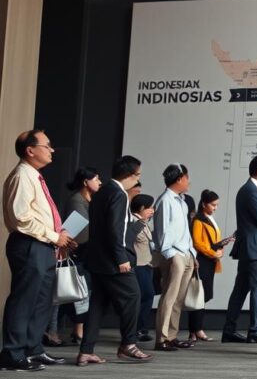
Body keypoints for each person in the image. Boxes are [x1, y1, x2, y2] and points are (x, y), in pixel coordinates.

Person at [0, 130, 75, 371]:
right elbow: (21, 218)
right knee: (24, 299)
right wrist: (55, 236)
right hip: (28, 243)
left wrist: (57, 239)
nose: (52, 150)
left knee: (41, 300)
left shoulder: (35, 176)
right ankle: (12, 353)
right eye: (47, 145)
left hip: (43, 244)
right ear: (30, 150)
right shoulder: (23, 175)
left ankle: (33, 349)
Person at [78, 155, 152, 366]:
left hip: (97, 259)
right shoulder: (118, 194)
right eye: (137, 175)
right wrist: (121, 257)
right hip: (113, 260)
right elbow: (115, 229)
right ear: (130, 175)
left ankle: (86, 351)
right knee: (134, 296)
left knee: (97, 305)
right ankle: (128, 344)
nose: (137, 179)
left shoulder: (102, 192)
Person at [223, 155, 257, 344]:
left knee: (241, 288)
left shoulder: (248, 189)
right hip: (256, 247)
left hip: (249, 246)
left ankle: (229, 330)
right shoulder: (251, 190)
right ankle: (255, 330)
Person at [53, 167, 102, 346]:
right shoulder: (77, 200)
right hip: (76, 251)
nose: (100, 182)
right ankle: (53, 331)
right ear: (85, 182)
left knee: (81, 291)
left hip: (85, 251)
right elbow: (75, 230)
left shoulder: (88, 200)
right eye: (96, 179)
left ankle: (76, 329)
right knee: (70, 291)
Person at [153, 163, 197, 351]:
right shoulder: (165, 200)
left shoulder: (181, 200)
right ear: (179, 179)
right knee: (169, 297)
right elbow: (162, 231)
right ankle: (161, 339)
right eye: (187, 177)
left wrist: (192, 253)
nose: (189, 181)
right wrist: (171, 256)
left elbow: (185, 230)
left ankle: (171, 336)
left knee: (178, 299)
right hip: (173, 254)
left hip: (186, 253)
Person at [188, 190, 232, 342]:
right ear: (204, 204)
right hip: (202, 260)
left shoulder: (209, 218)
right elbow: (197, 242)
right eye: (213, 205)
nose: (215, 208)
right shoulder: (198, 220)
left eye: (217, 205)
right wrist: (214, 253)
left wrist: (221, 247)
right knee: (199, 295)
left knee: (203, 295)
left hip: (210, 260)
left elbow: (211, 241)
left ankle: (195, 330)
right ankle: (195, 330)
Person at [129, 194, 156, 343]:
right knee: (145, 296)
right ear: (141, 208)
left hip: (147, 264)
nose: (152, 210)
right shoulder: (133, 222)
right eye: (150, 207)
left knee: (147, 296)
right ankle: (136, 329)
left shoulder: (144, 222)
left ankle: (140, 329)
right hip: (138, 265)